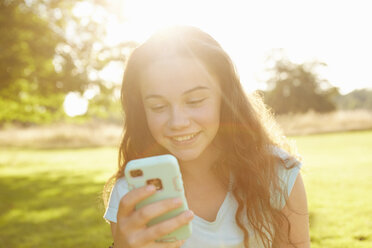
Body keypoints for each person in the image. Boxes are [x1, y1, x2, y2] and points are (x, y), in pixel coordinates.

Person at [103, 25, 310, 248]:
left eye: (195, 101)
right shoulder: (130, 193)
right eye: (158, 106)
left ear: (225, 97)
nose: (178, 122)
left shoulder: (277, 173)